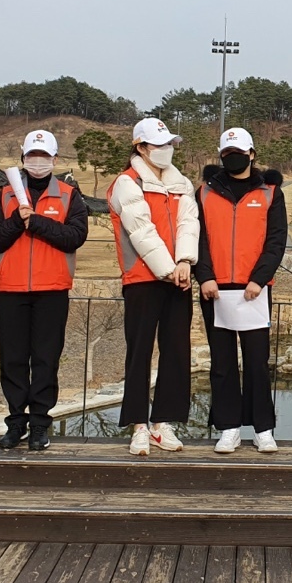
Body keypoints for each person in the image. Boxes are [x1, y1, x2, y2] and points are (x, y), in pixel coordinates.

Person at [0, 130, 88, 451]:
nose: (37, 162)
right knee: (12, 359)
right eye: (32, 156)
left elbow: (74, 237)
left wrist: (36, 222)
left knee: (45, 359)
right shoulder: (5, 195)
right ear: (23, 158)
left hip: (52, 288)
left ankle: (40, 422)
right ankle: (16, 422)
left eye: (44, 156)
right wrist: (17, 219)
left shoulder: (69, 195)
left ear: (54, 159)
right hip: (11, 288)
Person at [109, 117, 200, 456]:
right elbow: (141, 230)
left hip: (178, 277)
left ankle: (162, 423)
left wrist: (185, 261)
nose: (166, 150)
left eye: (169, 144)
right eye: (159, 145)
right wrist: (169, 269)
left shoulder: (181, 183)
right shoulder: (127, 182)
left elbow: (189, 223)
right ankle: (139, 426)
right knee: (140, 352)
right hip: (143, 278)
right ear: (141, 147)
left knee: (176, 351)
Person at [194, 128, 288, 454]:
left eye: (239, 152)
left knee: (257, 362)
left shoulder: (270, 193)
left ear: (252, 154)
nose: (233, 157)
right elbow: (197, 238)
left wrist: (259, 279)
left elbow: (276, 241)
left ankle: (263, 428)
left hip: (254, 290)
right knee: (222, 363)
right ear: (221, 156)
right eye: (227, 153)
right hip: (215, 289)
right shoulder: (204, 192)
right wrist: (204, 276)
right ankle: (228, 427)